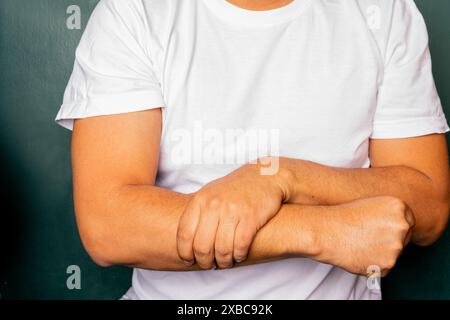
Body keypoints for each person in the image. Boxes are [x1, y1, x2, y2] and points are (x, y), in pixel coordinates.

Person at [56, 0, 450, 300]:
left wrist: (281, 178)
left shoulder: (383, 10)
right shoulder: (135, 11)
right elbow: (109, 225)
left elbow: (429, 208)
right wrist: (320, 232)